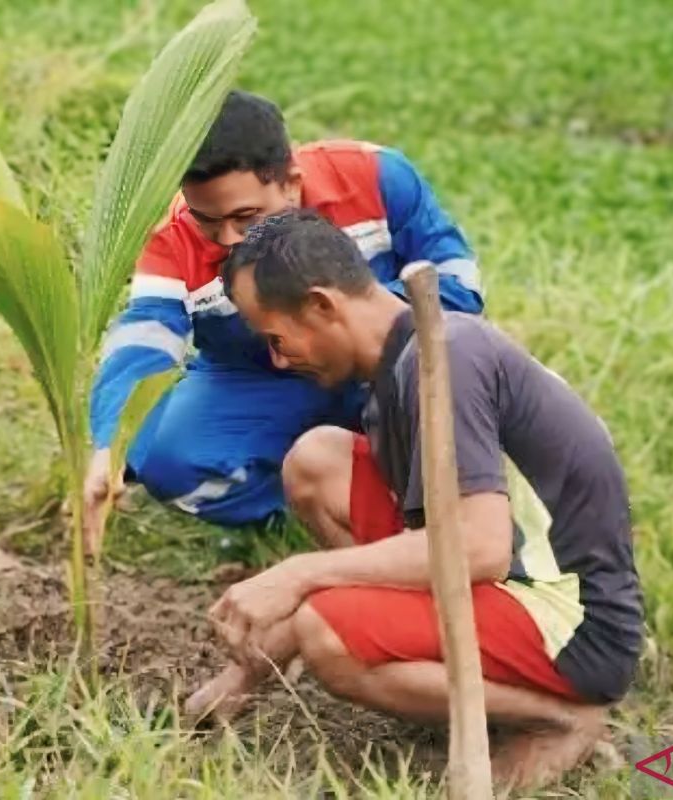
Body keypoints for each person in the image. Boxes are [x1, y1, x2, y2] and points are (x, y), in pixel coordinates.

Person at [191, 210, 644, 789]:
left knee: (326, 633)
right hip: (507, 576)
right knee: (320, 461)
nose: (279, 359)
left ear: (323, 305)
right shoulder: (398, 369)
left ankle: (560, 719)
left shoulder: (444, 359)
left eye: (277, 339)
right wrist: (246, 675)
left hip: (570, 622)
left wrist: (300, 574)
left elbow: (480, 548)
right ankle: (441, 670)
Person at [84, 89, 483, 548]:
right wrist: (106, 444)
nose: (230, 240)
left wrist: (359, 328)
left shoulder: (375, 176)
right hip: (255, 375)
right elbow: (144, 337)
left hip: (384, 366)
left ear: (291, 183)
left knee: (447, 415)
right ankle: (296, 504)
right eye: (208, 222)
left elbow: (456, 283)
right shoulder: (173, 237)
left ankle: (394, 509)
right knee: (162, 459)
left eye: (246, 217)